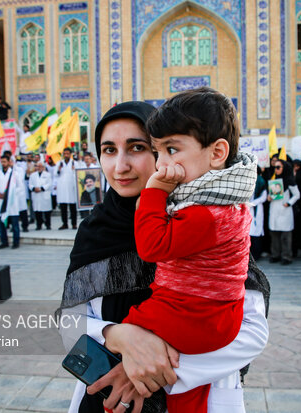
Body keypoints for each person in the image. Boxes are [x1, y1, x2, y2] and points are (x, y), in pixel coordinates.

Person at [58, 101, 270, 413]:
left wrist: (147, 373)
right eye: (109, 150)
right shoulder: (94, 232)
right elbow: (68, 324)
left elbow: (252, 330)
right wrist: (116, 335)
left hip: (190, 396)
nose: (121, 166)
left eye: (137, 147)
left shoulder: (203, 221)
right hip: (108, 402)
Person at [127, 88, 257, 412]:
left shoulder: (205, 213)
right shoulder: (229, 202)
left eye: (172, 149)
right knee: (186, 395)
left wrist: (154, 193)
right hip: (214, 319)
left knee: (129, 327)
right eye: (158, 152)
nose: (161, 164)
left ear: (216, 154)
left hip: (191, 316)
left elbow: (150, 246)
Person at [267, 160, 300, 265]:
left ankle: (286, 256)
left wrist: (289, 203)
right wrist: (269, 197)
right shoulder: (274, 179)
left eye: (278, 167)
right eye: (275, 167)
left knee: (286, 236)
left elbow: (297, 195)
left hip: (284, 210)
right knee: (274, 234)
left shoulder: (290, 181)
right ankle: (275, 254)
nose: (276, 169)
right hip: (274, 209)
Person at [0, 155, 24, 249]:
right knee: (1, 224)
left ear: (9, 162)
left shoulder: (15, 174)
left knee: (15, 224)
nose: (3, 163)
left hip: (12, 203)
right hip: (1, 202)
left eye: (5, 161)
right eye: (1, 162)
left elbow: (21, 187)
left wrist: (12, 194)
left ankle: (16, 242)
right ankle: (4, 242)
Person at [56, 147, 79, 229]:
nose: (66, 155)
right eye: (65, 154)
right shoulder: (59, 163)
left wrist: (74, 170)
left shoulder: (75, 163)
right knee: (63, 208)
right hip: (62, 189)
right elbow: (55, 175)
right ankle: (64, 223)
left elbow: (78, 175)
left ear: (70, 154)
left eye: (67, 154)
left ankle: (74, 223)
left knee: (73, 207)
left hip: (71, 188)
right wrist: (58, 170)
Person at [249, 167, 267, 260]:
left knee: (256, 233)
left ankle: (257, 255)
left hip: (257, 210)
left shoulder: (261, 181)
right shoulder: (247, 180)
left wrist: (253, 203)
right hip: (248, 210)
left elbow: (263, 197)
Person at [29, 161, 53, 230]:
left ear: (43, 167)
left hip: (44, 194)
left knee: (47, 212)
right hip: (36, 195)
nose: (39, 167)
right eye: (37, 166)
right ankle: (39, 225)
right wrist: (34, 188)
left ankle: (48, 225)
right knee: (37, 211)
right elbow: (30, 184)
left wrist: (41, 188)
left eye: (40, 166)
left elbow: (49, 183)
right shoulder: (33, 175)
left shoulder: (47, 175)